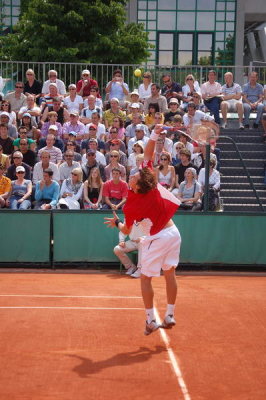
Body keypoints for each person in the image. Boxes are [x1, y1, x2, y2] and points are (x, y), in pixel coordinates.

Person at [104, 124, 181, 335]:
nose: (132, 176)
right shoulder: (151, 181)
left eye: (134, 178)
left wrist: (117, 224)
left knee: (145, 278)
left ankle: (150, 321)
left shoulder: (131, 205)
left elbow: (127, 230)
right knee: (169, 273)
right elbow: (148, 152)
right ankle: (170, 314)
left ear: (138, 186)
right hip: (174, 233)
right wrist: (155, 133)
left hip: (157, 238)